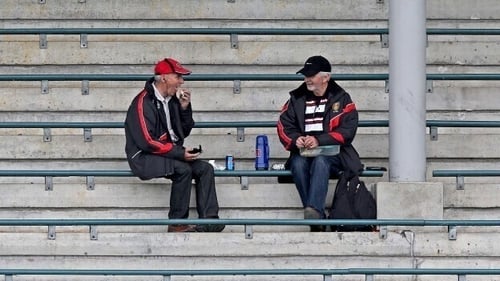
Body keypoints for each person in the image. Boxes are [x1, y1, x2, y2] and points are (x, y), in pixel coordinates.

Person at [124, 57, 224, 233]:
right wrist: (179, 153)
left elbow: (182, 132)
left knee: (205, 169)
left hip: (167, 153)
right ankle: (177, 224)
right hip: (143, 156)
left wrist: (185, 108)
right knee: (183, 169)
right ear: (164, 78)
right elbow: (147, 142)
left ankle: (210, 221)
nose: (181, 81)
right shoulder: (142, 102)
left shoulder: (173, 101)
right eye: (177, 76)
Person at [277, 55, 363, 232]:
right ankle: (317, 216)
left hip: (335, 155)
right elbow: (284, 126)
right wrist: (296, 139)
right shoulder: (296, 98)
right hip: (304, 154)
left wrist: (319, 140)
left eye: (311, 75)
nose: (307, 79)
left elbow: (348, 131)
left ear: (326, 77)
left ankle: (315, 213)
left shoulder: (342, 98)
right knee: (298, 163)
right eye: (306, 75)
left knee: (321, 160)